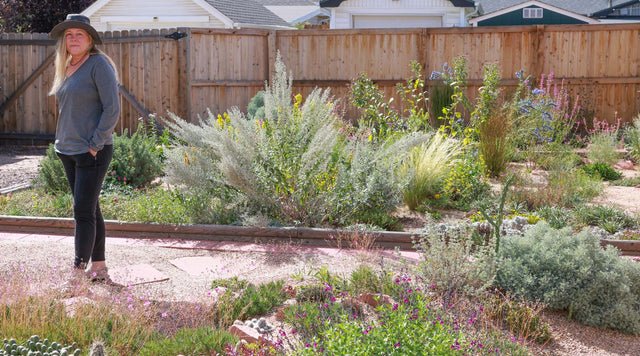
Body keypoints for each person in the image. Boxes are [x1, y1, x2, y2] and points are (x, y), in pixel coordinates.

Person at [48, 14, 120, 282]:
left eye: (80, 34)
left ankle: (77, 276)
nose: (73, 38)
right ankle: (99, 268)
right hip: (68, 151)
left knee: (82, 212)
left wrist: (94, 144)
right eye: (69, 35)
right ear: (64, 41)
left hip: (92, 152)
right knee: (90, 210)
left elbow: (112, 109)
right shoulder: (66, 66)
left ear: (90, 39)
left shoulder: (99, 65)